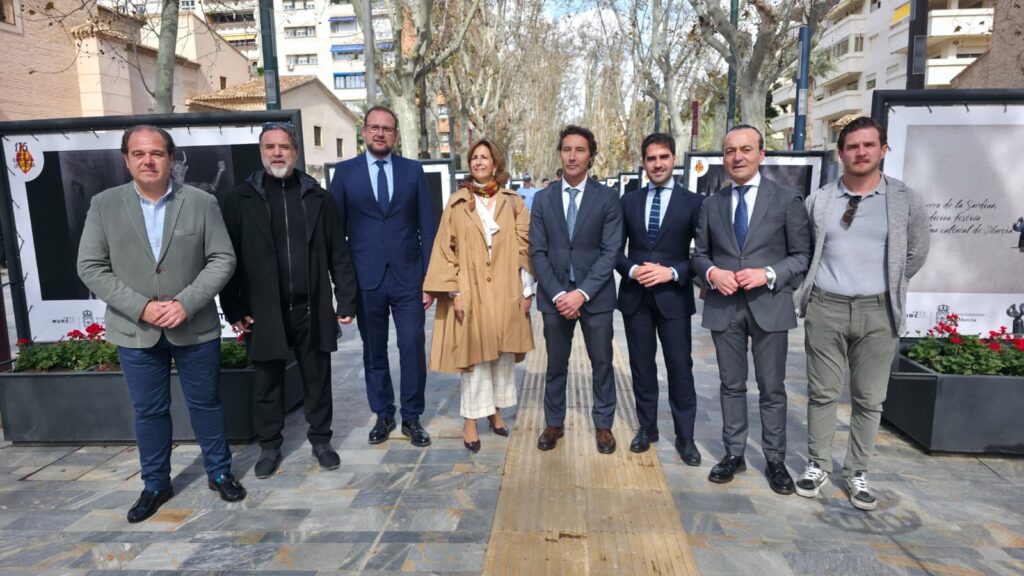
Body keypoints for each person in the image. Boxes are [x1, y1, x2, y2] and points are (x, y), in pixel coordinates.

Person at [77, 125, 246, 524]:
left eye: (156, 153)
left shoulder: (201, 202)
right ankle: (155, 483)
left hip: (193, 325)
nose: (148, 161)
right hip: (135, 330)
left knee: (206, 403)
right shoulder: (105, 205)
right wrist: (141, 307)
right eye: (139, 154)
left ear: (171, 158)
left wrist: (185, 303)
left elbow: (222, 258)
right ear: (126, 160)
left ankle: (219, 472)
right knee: (149, 411)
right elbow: (90, 265)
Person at [793, 116, 930, 511]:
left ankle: (857, 471)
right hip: (826, 306)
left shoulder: (905, 200)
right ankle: (818, 464)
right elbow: (807, 251)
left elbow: (915, 253)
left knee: (869, 398)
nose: (861, 152)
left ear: (883, 150)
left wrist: (888, 285)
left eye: (869, 145)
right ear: (840, 154)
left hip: (878, 309)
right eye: (852, 146)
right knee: (821, 394)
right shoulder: (819, 200)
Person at [218, 122, 358, 478]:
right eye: (270, 147)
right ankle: (269, 447)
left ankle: (321, 441)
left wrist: (345, 299)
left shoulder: (317, 197)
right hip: (263, 311)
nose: (277, 153)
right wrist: (234, 308)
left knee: (317, 379)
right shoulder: (240, 199)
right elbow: (226, 258)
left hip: (309, 306)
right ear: (261, 152)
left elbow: (338, 251)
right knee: (267, 383)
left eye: (284, 147)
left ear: (296, 152)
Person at [691, 124, 811, 494]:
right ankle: (734, 454)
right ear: (723, 157)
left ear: (761, 154)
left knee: (772, 388)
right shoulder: (711, 204)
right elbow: (699, 255)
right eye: (729, 151)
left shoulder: (787, 199)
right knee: (731, 385)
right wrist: (712, 274)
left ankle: (775, 460)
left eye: (745, 149)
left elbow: (802, 256)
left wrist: (769, 273)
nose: (737, 157)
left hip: (768, 305)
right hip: (724, 306)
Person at [330, 106, 437, 447]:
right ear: (364, 131)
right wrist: (344, 287)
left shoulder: (412, 171)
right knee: (373, 351)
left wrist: (429, 280)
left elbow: (428, 227)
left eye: (387, 129)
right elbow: (336, 236)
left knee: (412, 346)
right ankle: (384, 413)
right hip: (366, 280)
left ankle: (412, 416)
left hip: (408, 280)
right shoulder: (345, 174)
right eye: (374, 127)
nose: (380, 133)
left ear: (395, 135)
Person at [424, 139, 535, 452]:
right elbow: (445, 249)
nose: (479, 162)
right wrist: (454, 293)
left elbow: (526, 247)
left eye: (485, 157)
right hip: (471, 289)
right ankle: (471, 420)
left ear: (495, 163)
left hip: (506, 290)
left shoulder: (513, 202)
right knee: (473, 358)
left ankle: (496, 413)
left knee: (501, 355)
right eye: (474, 157)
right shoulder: (457, 202)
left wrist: (527, 290)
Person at [530, 125, 623, 454]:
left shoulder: (608, 198)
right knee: (555, 364)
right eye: (567, 149)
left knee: (601, 363)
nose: (572, 156)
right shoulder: (542, 199)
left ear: (591, 156)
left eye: (579, 150)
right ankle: (553, 423)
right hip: (554, 297)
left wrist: (581, 293)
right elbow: (537, 252)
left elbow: (611, 252)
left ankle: (603, 426)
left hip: (594, 297)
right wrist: (558, 294)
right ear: (560, 154)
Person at [616, 133, 703, 465]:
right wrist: (634, 269)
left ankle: (685, 437)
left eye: (663, 157)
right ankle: (647, 427)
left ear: (673, 160)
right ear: (643, 163)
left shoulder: (693, 202)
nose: (657, 164)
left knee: (680, 367)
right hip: (636, 297)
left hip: (674, 297)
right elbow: (613, 250)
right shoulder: (628, 201)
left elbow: (702, 253)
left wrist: (675, 273)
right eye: (651, 158)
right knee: (641, 366)